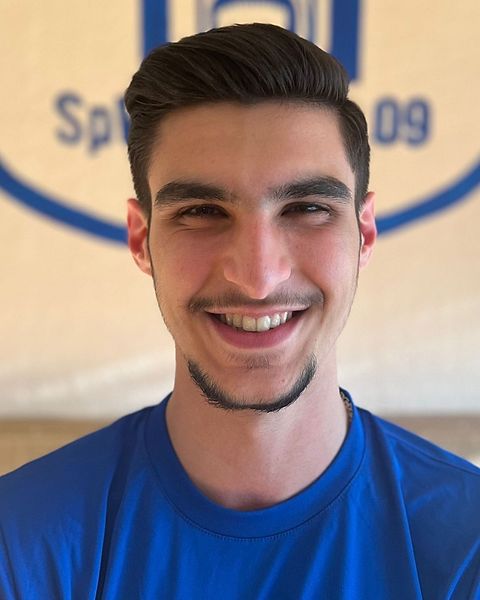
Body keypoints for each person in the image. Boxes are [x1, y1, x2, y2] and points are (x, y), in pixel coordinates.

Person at [0, 23, 479, 600]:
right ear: (142, 239)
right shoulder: (20, 539)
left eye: (306, 208)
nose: (257, 278)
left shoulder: (465, 542)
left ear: (364, 234)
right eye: (202, 211)